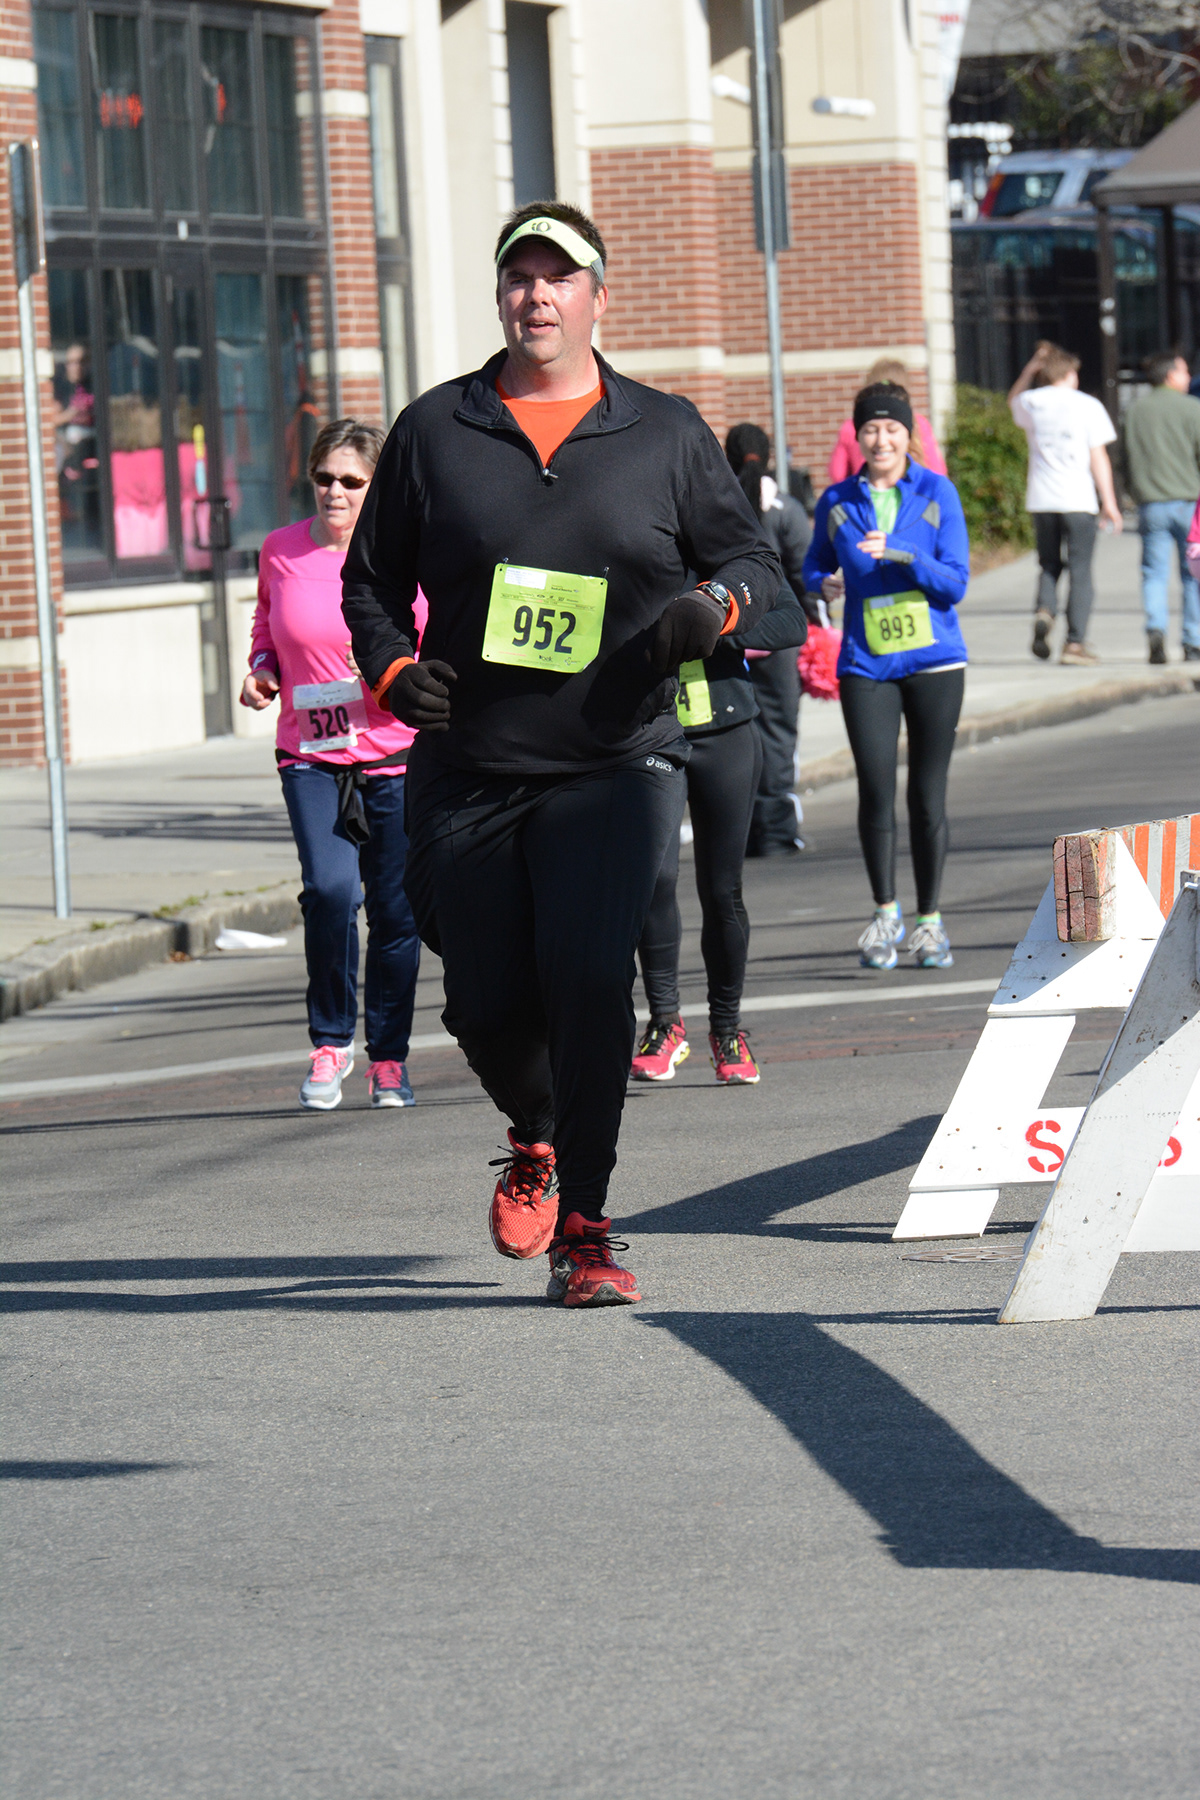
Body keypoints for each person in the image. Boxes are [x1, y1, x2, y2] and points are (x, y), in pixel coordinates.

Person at [342, 202, 780, 1308]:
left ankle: (589, 1225)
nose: (537, 296)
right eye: (518, 278)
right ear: (501, 295)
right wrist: (394, 672)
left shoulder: (665, 431)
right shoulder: (441, 429)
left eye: (558, 277)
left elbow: (762, 573)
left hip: (614, 759)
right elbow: (369, 582)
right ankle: (533, 1130)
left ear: (597, 293)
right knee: (486, 1004)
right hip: (471, 763)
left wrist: (713, 609)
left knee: (590, 981)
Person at [241, 419, 423, 1113]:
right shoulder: (281, 549)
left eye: (352, 481)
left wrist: (389, 665)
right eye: (325, 478)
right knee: (328, 892)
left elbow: (433, 638)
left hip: (392, 753)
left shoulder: (402, 553)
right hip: (311, 753)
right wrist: (260, 670)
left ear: (375, 487)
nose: (336, 492)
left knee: (395, 913)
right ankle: (329, 1039)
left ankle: (390, 1057)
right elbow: (267, 626)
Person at [631, 446, 808, 1085]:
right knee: (653, 879)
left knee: (721, 888)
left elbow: (792, 619)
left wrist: (718, 624)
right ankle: (664, 1020)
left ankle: (728, 1030)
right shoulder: (630, 545)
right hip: (653, 729)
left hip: (727, 730)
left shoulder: (727, 550)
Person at [802, 383, 969, 972]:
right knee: (875, 790)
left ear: (908, 436)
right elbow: (814, 563)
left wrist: (901, 552)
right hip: (866, 663)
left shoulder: (935, 492)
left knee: (926, 797)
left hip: (935, 663)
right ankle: (885, 913)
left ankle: (930, 922)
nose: (881, 438)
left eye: (892, 428)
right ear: (857, 437)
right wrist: (821, 583)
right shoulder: (838, 501)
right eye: (870, 429)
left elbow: (954, 583)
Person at [724, 423, 818, 859]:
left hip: (729, 637)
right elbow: (804, 576)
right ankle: (778, 831)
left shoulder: (718, 501)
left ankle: (741, 832)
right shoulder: (786, 507)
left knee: (737, 733)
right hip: (779, 640)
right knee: (779, 733)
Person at [1008, 340, 1123, 665]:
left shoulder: (1031, 401)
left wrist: (1031, 368)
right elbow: (1097, 456)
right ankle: (1074, 644)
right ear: (1070, 373)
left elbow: (1012, 399)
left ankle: (1045, 611)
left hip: (1042, 500)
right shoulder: (1087, 405)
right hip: (1078, 500)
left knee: (1048, 564)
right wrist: (1110, 502)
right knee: (1081, 570)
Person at [1121, 349, 1200, 664]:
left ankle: (1156, 627)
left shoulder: (1136, 411)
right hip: (1190, 503)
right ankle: (1192, 640)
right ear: (1171, 375)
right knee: (1192, 574)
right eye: (1183, 372)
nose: (1188, 377)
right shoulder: (1192, 409)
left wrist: (1134, 491)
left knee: (1153, 572)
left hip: (1151, 503)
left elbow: (1125, 458)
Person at [827, 358, 947, 484]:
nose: (881, 441)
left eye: (891, 430)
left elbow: (837, 474)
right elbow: (937, 470)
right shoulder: (919, 423)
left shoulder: (851, 427)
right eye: (871, 431)